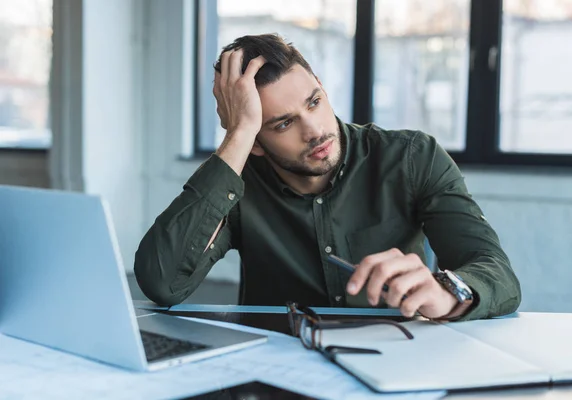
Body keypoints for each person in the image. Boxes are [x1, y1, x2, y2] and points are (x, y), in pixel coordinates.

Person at [134, 33, 521, 322]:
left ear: (321, 83)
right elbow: (163, 282)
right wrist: (236, 137)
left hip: (398, 360)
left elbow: (495, 271)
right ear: (255, 140)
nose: (315, 130)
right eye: (284, 123)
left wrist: (447, 292)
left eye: (314, 102)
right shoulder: (237, 178)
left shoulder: (411, 157)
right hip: (278, 374)